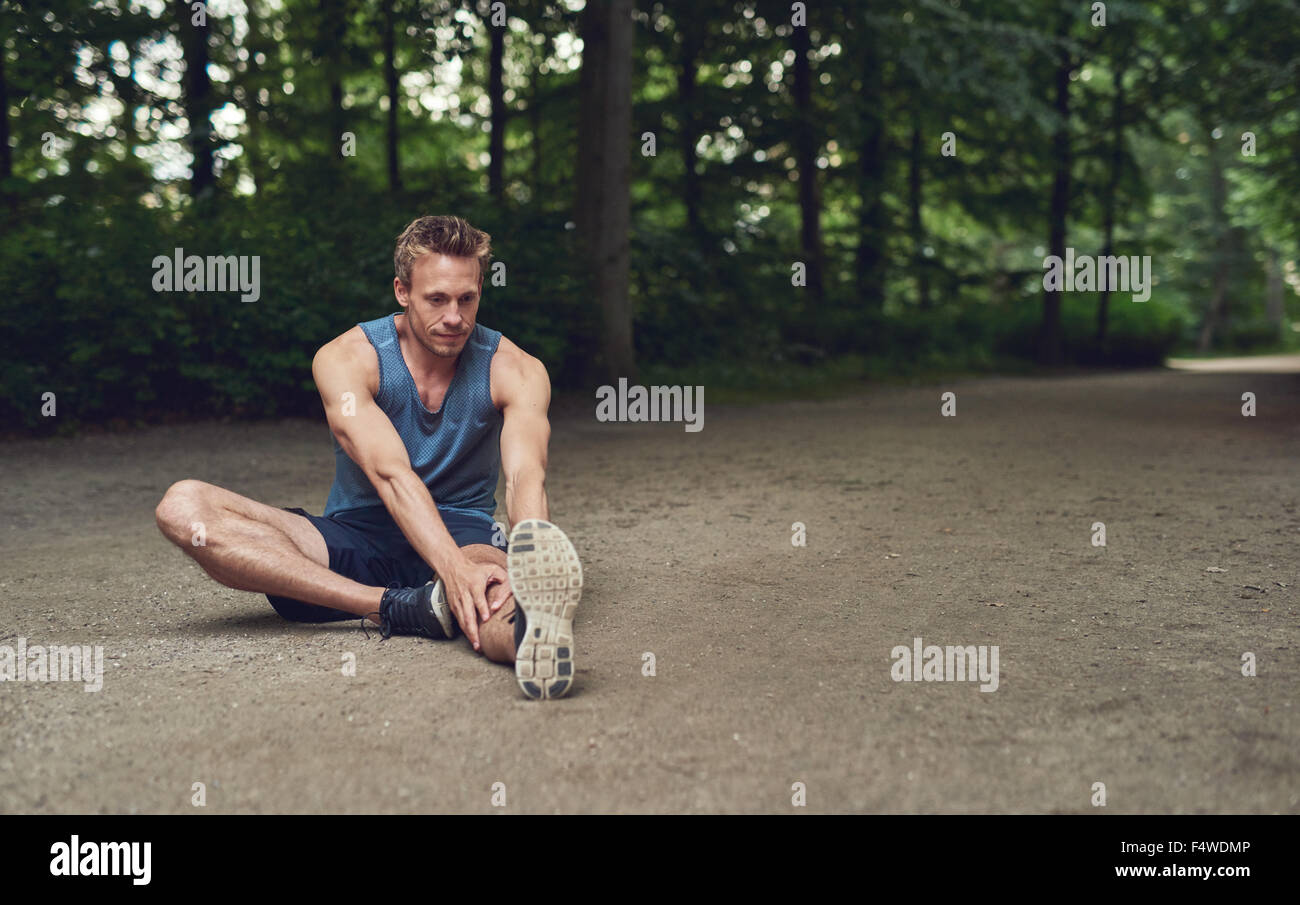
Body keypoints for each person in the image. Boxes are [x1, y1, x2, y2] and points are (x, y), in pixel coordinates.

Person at [154, 215, 582, 700]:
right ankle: (397, 606)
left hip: (463, 529)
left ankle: (533, 636)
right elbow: (390, 472)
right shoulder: (346, 358)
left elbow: (527, 472)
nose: (455, 317)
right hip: (356, 533)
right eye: (436, 299)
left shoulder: (517, 369)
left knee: (493, 592)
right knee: (183, 504)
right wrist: (448, 572)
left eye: (468, 298)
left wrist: (529, 554)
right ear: (402, 291)